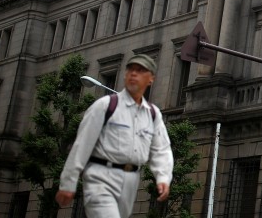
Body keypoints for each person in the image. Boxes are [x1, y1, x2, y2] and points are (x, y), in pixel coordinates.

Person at [56, 54, 174, 218]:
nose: (133, 74)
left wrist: (163, 177)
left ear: (151, 78)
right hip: (101, 177)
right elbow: (82, 145)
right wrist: (68, 183)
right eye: (131, 70)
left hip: (130, 180)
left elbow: (161, 149)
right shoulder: (105, 106)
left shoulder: (153, 114)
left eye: (140, 71)